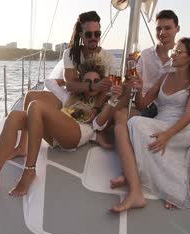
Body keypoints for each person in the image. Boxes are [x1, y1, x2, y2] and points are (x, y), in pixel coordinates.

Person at [111, 10, 190, 211]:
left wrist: (167, 135)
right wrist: (138, 89)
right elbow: (142, 104)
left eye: (177, 52)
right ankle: (137, 178)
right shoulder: (162, 72)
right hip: (158, 118)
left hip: (179, 126)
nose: (173, 53)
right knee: (130, 123)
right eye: (159, 28)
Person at [0, 58, 122, 198]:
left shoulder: (101, 101)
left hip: (77, 133)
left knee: (36, 106)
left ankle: (29, 171)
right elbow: (51, 83)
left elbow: (99, 124)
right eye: (87, 81)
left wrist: (113, 99)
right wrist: (71, 83)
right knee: (14, 117)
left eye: (96, 81)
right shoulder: (71, 96)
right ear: (82, 83)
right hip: (58, 130)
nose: (92, 84)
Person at [9, 10, 119, 159]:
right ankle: (23, 146)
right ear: (81, 34)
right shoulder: (71, 53)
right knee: (31, 95)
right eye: (88, 34)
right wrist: (94, 86)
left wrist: (96, 107)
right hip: (71, 97)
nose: (94, 38)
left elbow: (105, 91)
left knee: (38, 106)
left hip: (93, 104)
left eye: (97, 34)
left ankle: (96, 133)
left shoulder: (109, 59)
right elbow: (70, 85)